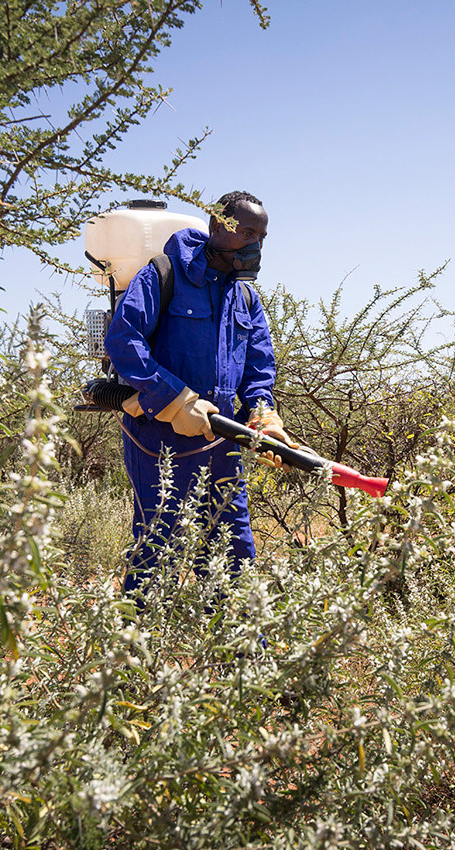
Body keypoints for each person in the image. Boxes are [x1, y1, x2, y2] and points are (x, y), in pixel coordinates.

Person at [104, 190, 296, 593]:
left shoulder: (245, 297)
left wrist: (264, 414)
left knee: (233, 554)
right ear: (216, 227)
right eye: (245, 232)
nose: (255, 244)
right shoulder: (162, 273)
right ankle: (134, 651)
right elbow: (124, 342)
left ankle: (241, 655)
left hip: (225, 439)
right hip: (159, 440)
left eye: (261, 236)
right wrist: (176, 401)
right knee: (158, 550)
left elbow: (259, 368)